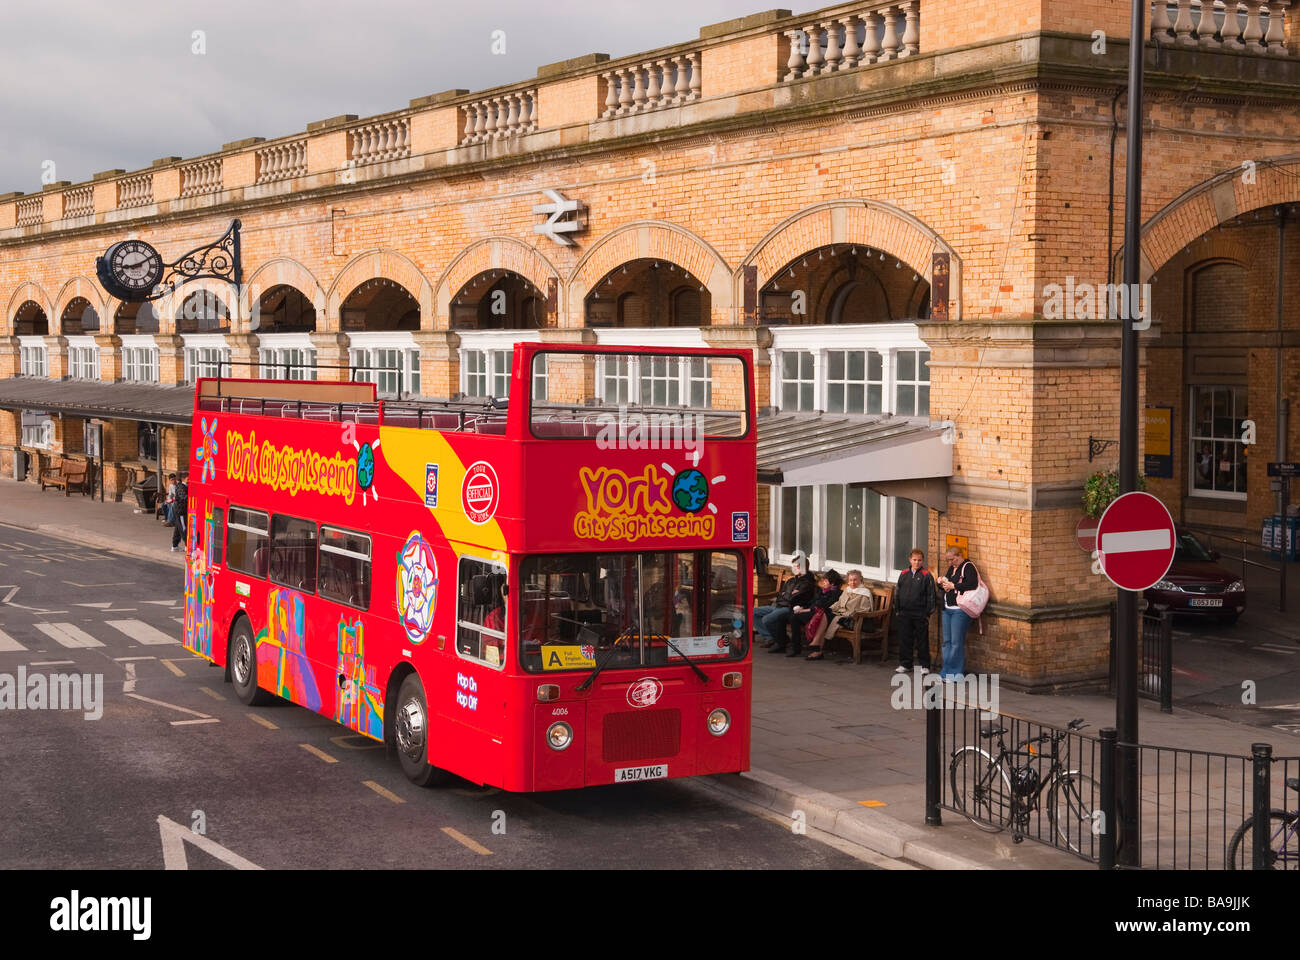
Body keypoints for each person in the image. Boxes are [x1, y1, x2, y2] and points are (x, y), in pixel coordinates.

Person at [752, 549, 815, 654]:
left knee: (767, 619)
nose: (793, 568)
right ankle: (769, 638)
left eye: (794, 566)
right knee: (753, 612)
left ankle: (781, 640)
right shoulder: (791, 580)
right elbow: (781, 593)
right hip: (779, 605)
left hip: (789, 608)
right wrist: (788, 594)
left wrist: (786, 595)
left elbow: (793, 599)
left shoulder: (807, 583)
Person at [805, 570, 873, 660]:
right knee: (824, 614)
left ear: (861, 580)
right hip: (839, 614)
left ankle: (817, 648)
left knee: (826, 618)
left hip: (851, 619)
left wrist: (850, 614)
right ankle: (816, 647)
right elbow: (839, 603)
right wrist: (830, 608)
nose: (853, 582)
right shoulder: (847, 590)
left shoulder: (865, 593)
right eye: (851, 580)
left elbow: (864, 610)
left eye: (855, 580)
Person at [936, 547, 978, 680]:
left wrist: (954, 586)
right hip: (947, 608)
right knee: (947, 642)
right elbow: (947, 585)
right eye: (948, 560)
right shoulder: (951, 568)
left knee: (956, 642)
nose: (950, 563)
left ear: (960, 555)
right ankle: (946, 671)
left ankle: (956, 673)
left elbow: (972, 584)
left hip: (959, 610)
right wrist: (941, 582)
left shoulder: (968, 566)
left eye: (952, 559)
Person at [894, 548, 937, 673]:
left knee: (922, 640)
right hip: (904, 613)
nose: (917, 562)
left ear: (922, 561)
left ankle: (925, 665)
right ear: (910, 560)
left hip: (920, 613)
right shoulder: (903, 574)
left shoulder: (926, 575)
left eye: (919, 560)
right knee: (905, 639)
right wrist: (897, 609)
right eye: (914, 560)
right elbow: (897, 592)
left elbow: (931, 596)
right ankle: (906, 664)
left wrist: (928, 613)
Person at [786, 570, 842, 658]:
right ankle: (796, 648)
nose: (823, 582)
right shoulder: (822, 591)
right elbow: (812, 602)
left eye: (826, 581)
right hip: (814, 612)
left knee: (795, 617)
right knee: (793, 616)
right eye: (823, 580)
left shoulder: (836, 593)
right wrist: (803, 608)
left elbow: (824, 606)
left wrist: (806, 610)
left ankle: (810, 650)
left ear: (833, 583)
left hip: (823, 614)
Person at [169, 474, 188, 552]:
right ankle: (187, 545)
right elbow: (184, 497)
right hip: (181, 510)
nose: (189, 480)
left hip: (180, 510)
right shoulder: (181, 487)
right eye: (188, 478)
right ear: (183, 479)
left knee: (178, 528)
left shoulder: (183, 486)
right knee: (183, 528)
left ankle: (175, 545)